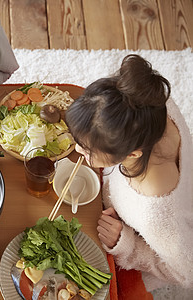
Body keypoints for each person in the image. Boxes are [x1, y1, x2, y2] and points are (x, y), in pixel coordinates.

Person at [65, 55, 193, 292]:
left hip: (154, 233)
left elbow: (186, 271)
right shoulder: (149, 105)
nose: (77, 149)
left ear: (133, 154)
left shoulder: (154, 213)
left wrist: (128, 245)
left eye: (88, 149)